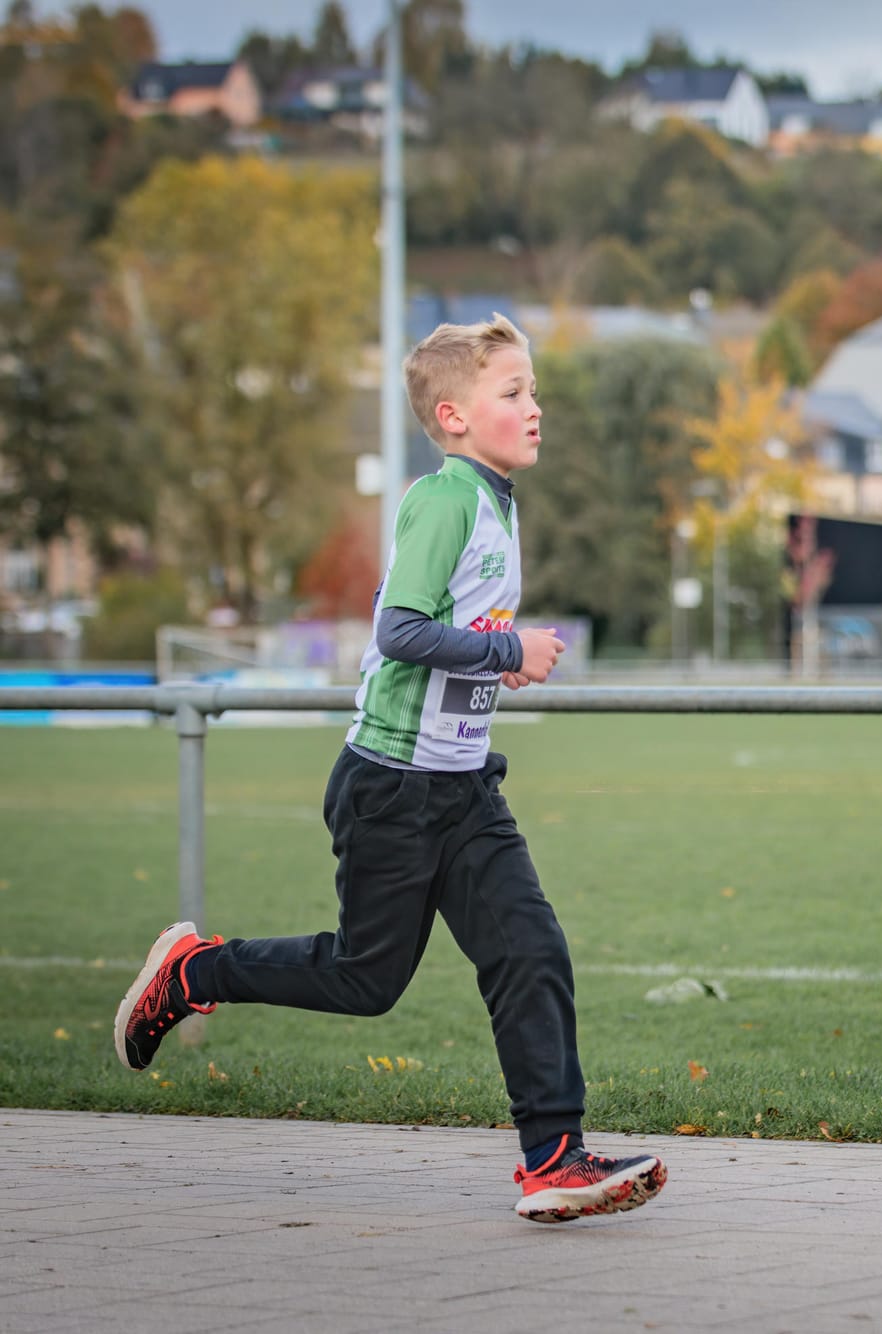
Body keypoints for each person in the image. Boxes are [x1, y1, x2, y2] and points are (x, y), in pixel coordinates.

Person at [113, 314, 665, 1225]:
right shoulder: (445, 499)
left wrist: (491, 657)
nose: (536, 407)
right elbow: (400, 630)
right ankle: (192, 972)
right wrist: (507, 650)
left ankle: (554, 1159)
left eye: (534, 390)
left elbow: (442, 632)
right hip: (393, 789)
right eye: (514, 392)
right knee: (365, 982)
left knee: (531, 949)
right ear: (453, 416)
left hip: (464, 787)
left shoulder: (494, 502)